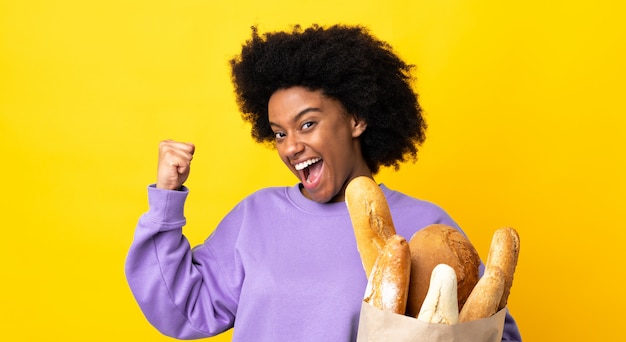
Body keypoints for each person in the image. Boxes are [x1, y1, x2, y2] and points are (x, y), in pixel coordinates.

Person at [125, 24, 522, 341]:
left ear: (356, 119)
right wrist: (166, 199)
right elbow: (182, 310)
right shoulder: (256, 216)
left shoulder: (427, 227)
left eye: (308, 124)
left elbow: (489, 331)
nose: (291, 147)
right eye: (279, 133)